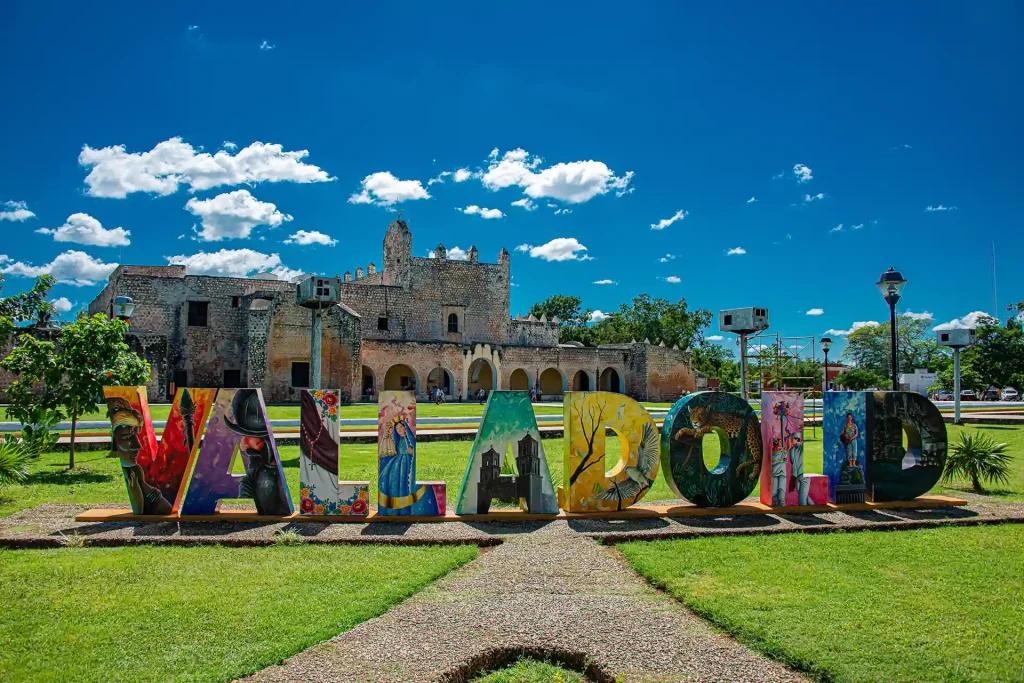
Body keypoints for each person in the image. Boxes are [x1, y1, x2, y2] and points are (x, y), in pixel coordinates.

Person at [107, 397, 172, 515]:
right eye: (127, 438)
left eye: (135, 436)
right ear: (115, 441)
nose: (138, 446)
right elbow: (139, 510)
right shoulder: (132, 472)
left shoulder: (136, 470)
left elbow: (141, 509)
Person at [787, 431, 809, 505]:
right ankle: (811, 505)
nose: (791, 441)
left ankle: (803, 509)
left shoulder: (801, 446)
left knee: (802, 497)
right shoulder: (792, 450)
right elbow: (792, 460)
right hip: (796, 474)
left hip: (802, 473)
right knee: (800, 492)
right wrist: (790, 449)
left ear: (797, 439)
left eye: (792, 439)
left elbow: (802, 445)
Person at [770, 436, 788, 507]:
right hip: (775, 472)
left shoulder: (783, 450)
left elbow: (785, 460)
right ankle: (774, 501)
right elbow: (772, 462)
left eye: (780, 441)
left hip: (782, 471)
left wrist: (784, 454)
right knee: (774, 488)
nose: (780, 443)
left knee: (782, 487)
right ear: (775, 442)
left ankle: (781, 500)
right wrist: (780, 460)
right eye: (779, 441)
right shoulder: (772, 451)